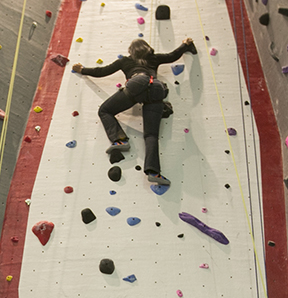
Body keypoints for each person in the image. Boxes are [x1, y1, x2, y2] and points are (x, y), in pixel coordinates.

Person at [72, 37, 197, 188]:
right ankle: (153, 172)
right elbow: (172, 56)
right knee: (151, 135)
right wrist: (185, 45)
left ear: (131, 51)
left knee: (105, 110)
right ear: (147, 48)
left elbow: (103, 71)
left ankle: (120, 140)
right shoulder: (153, 58)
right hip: (157, 88)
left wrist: (82, 70)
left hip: (137, 83)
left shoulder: (125, 61)